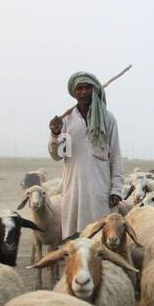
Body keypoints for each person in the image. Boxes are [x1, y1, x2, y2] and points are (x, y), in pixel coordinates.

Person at [48, 71, 123, 239]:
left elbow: (116, 155)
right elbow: (57, 155)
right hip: (74, 190)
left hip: (100, 192)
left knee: (101, 240)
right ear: (73, 93)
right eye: (79, 89)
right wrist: (55, 134)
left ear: (95, 90)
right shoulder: (66, 121)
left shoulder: (107, 119)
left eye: (87, 88)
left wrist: (116, 189)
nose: (82, 92)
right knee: (74, 242)